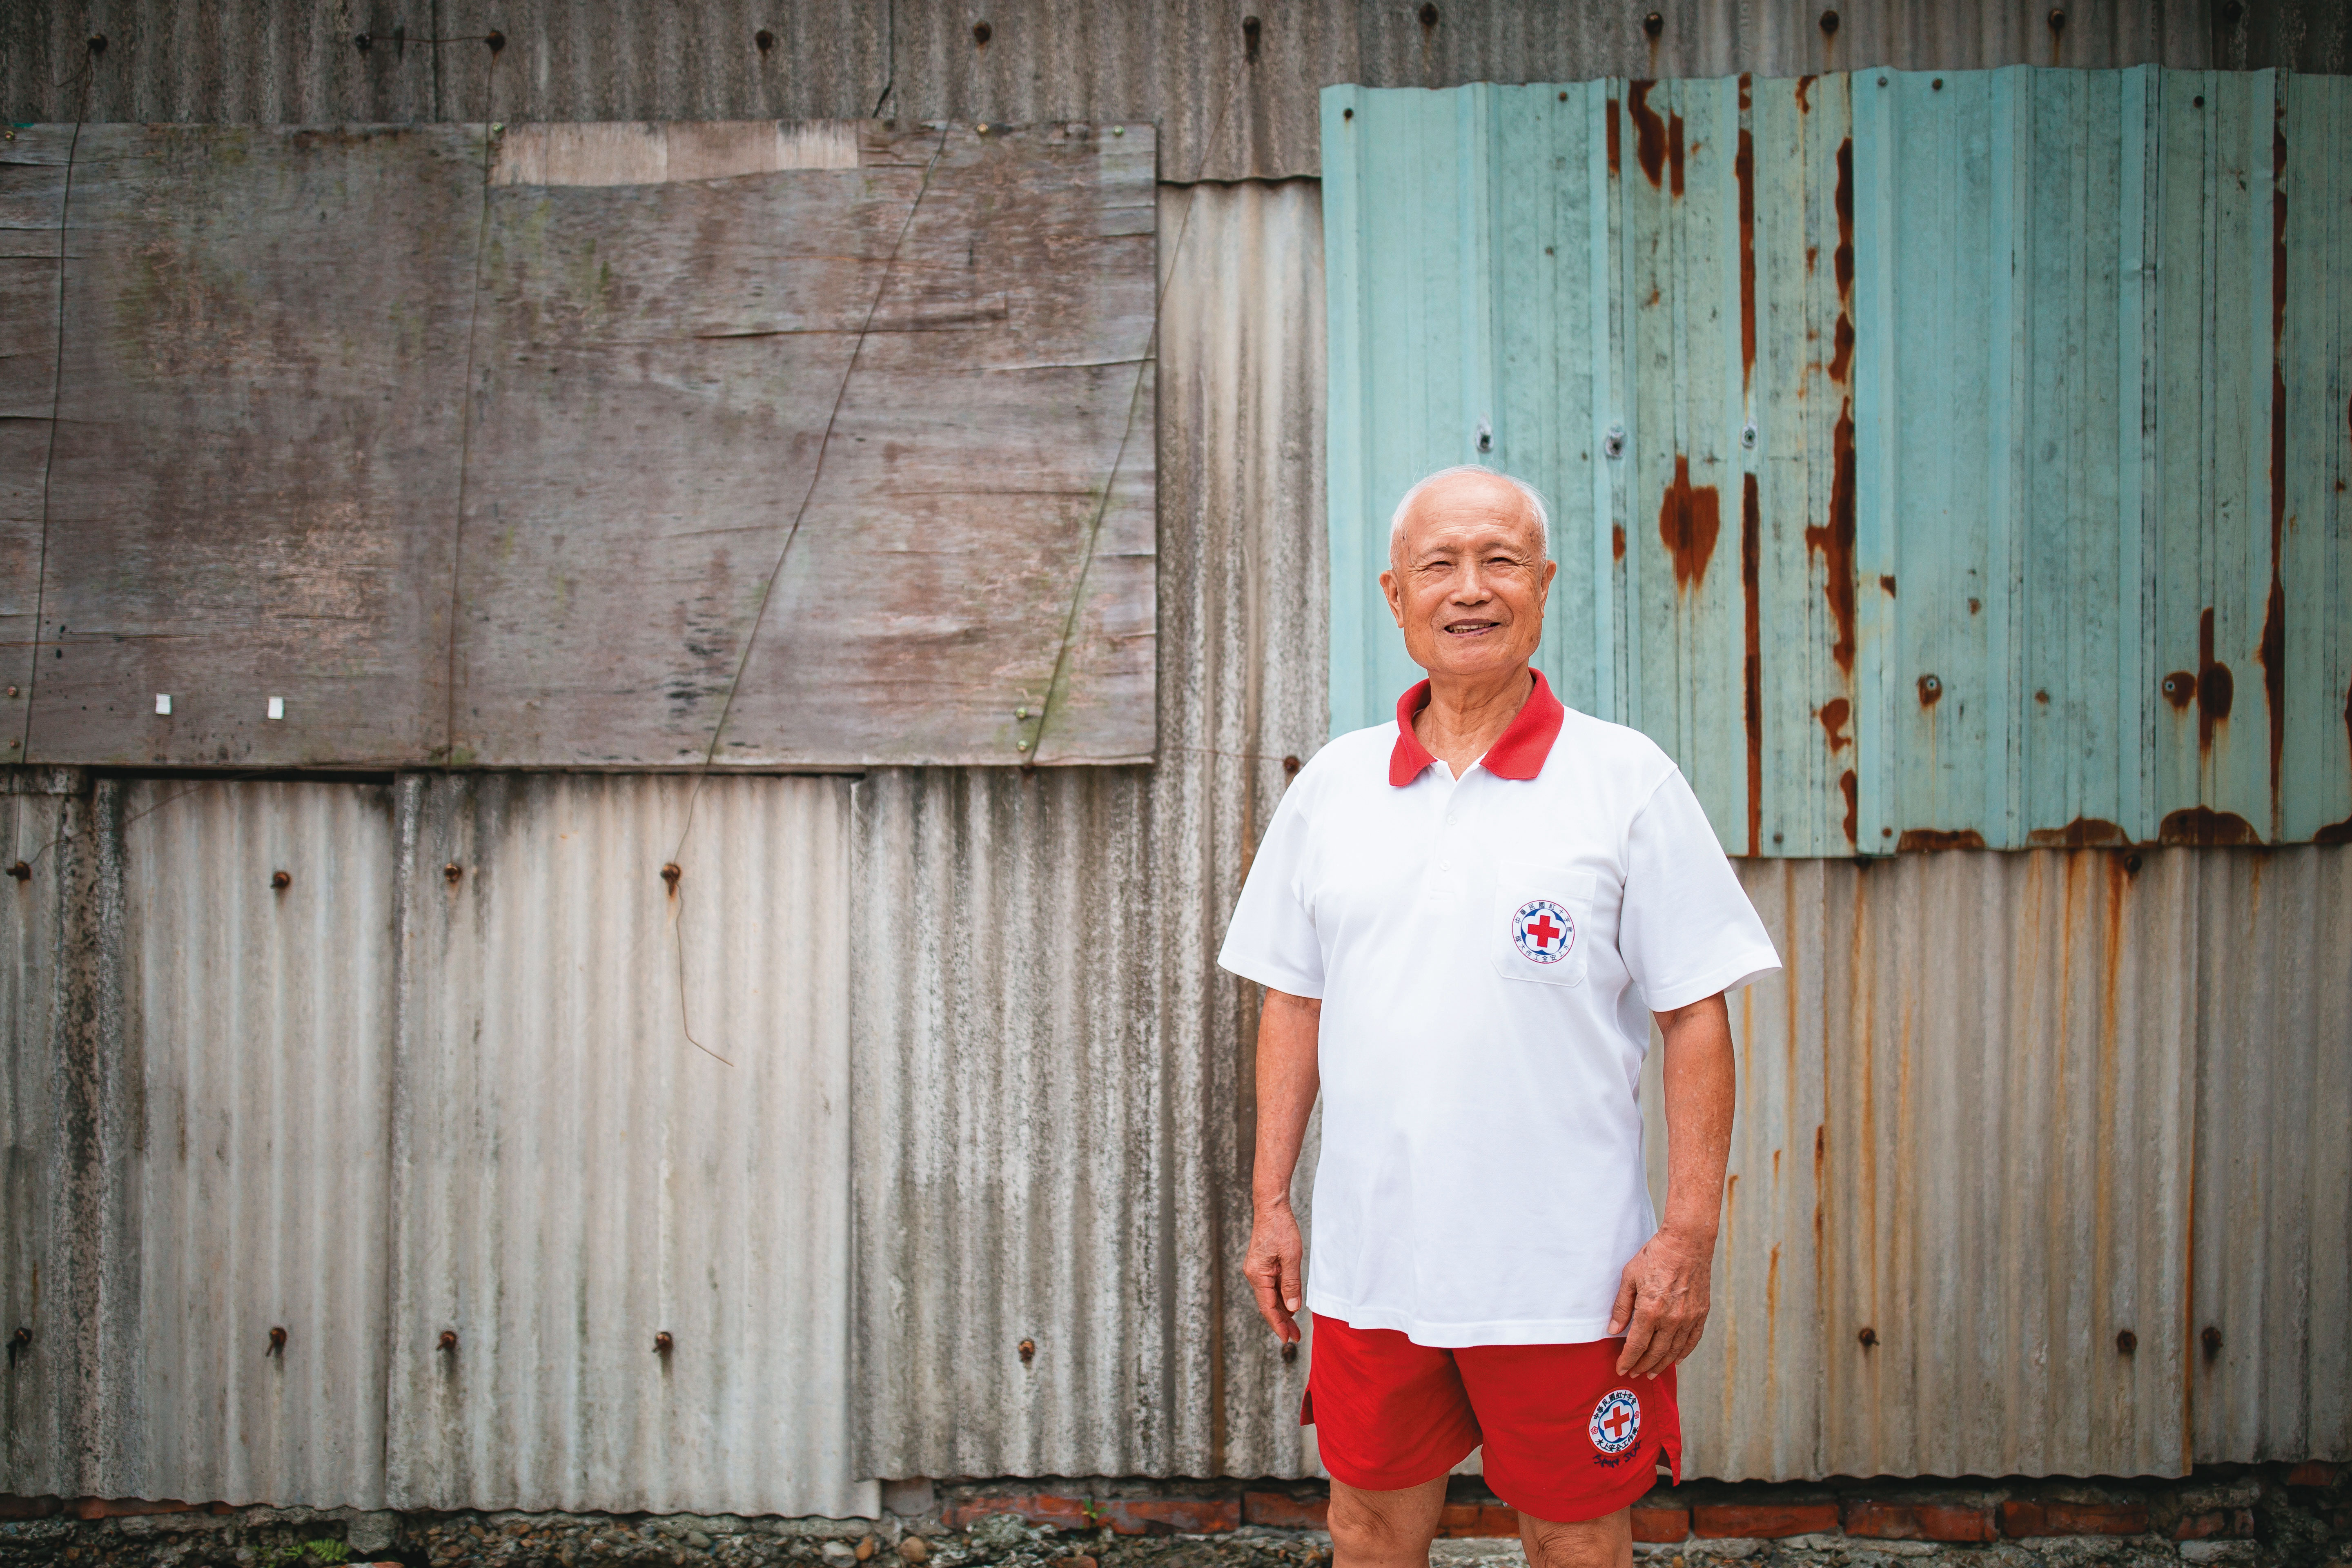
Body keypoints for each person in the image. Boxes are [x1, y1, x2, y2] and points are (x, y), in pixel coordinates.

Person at [1219, 466, 1781, 1568]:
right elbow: (1294, 999)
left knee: (1575, 1539)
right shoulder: (1333, 788)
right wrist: (1271, 1203)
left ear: (1544, 585)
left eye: (1500, 561)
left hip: (1568, 1278)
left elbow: (1695, 1016)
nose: (1470, 589)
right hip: (1376, 1269)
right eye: (1439, 565)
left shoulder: (1625, 780)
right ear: (1396, 596)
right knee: (1368, 1528)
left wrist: (1688, 1237)